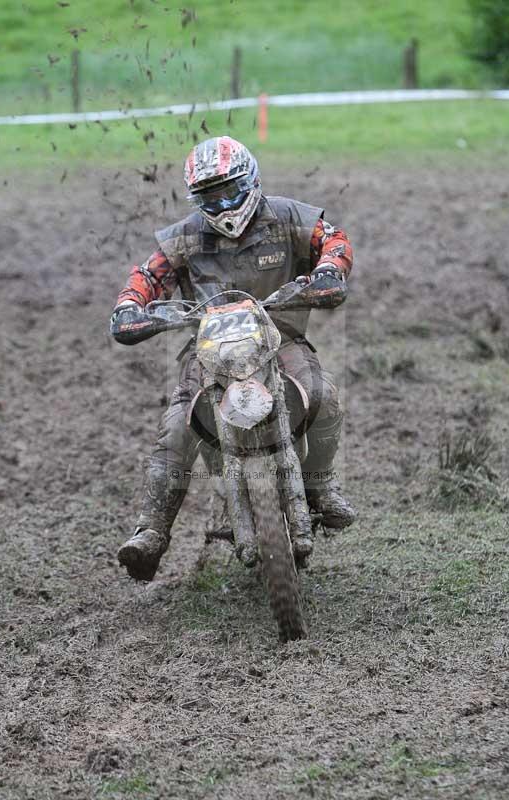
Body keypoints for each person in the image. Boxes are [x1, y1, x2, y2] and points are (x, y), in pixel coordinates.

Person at [111, 136, 355, 582]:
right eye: (210, 196)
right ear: (196, 199)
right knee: (178, 424)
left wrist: (329, 269)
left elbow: (333, 239)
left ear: (252, 180)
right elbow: (147, 275)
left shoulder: (287, 216)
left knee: (323, 395)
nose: (223, 203)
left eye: (231, 190)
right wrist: (130, 304)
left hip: (280, 339)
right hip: (210, 352)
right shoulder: (184, 237)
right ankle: (152, 532)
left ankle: (319, 485)